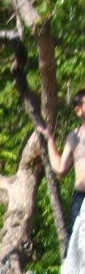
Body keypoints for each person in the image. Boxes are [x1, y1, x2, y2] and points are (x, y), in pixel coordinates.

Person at [38, 90, 85, 242]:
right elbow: (60, 169)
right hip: (81, 199)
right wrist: (50, 140)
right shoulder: (74, 137)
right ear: (78, 110)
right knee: (76, 250)